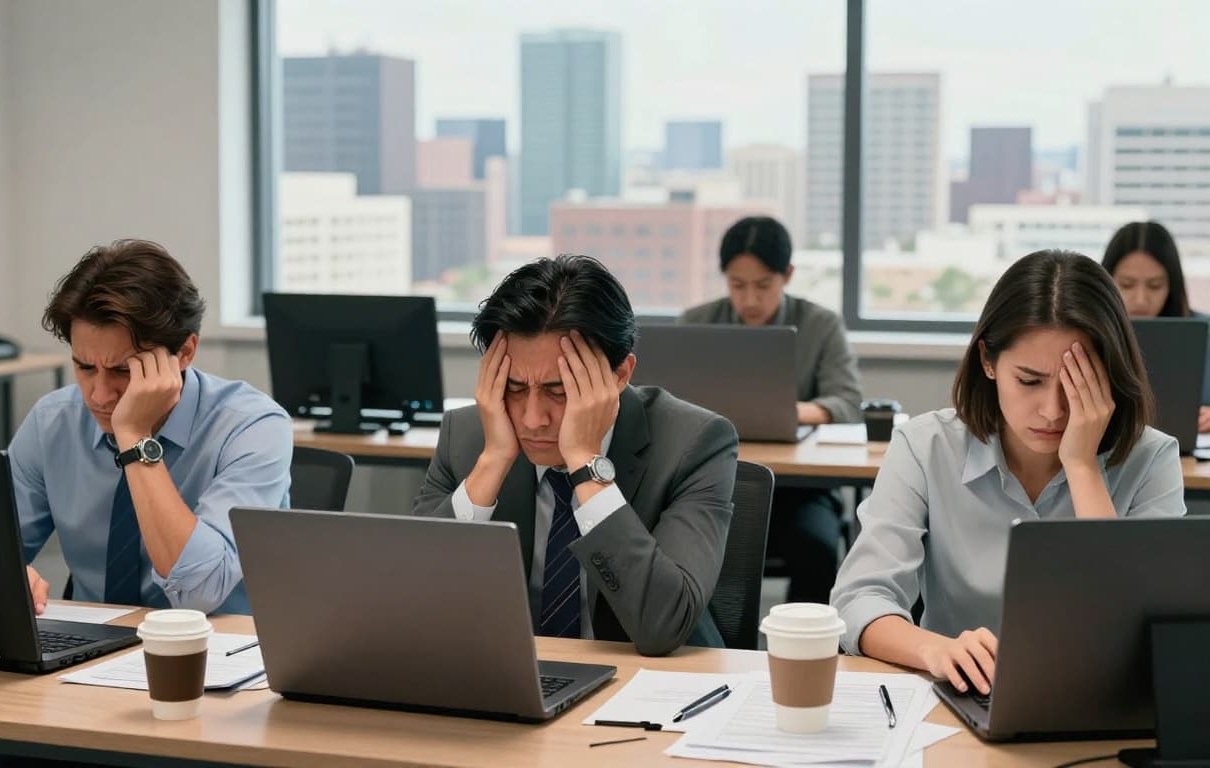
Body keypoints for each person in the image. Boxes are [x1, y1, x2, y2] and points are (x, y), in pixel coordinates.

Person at [831, 249, 1185, 696]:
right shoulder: (925, 447)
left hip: (1098, 700)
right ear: (988, 361)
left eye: (1076, 384)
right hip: (955, 697)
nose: (1053, 411)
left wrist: (1081, 467)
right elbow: (858, 600)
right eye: (1029, 381)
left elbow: (1135, 626)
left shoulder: (1152, 458)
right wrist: (935, 650)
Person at [411, 254, 738, 656]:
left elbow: (662, 625)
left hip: (646, 689)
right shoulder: (465, 437)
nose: (533, 419)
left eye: (560, 390)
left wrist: (586, 464)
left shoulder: (694, 443)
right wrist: (493, 460)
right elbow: (411, 602)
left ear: (619, 375)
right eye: (514, 388)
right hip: (514, 679)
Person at [16, 239, 292, 616]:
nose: (98, 395)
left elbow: (200, 591)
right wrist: (7, 575)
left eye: (123, 371)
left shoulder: (253, 426)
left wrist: (135, 437)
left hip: (217, 653)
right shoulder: (53, 421)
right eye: (84, 367)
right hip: (83, 652)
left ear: (185, 353)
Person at [682, 216, 862, 604]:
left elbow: (847, 403)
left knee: (816, 546)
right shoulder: (697, 323)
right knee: (696, 543)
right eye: (737, 285)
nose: (749, 300)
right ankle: (719, 649)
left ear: (788, 275)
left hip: (803, 490)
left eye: (763, 285)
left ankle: (802, 645)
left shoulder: (821, 325)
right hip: (715, 483)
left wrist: (783, 411)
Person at [1101, 220, 1210, 432]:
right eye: (1127, 284)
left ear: (1172, 285)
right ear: (1106, 281)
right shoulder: (1087, 333)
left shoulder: (1204, 330)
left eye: (1155, 285)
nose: (1141, 300)